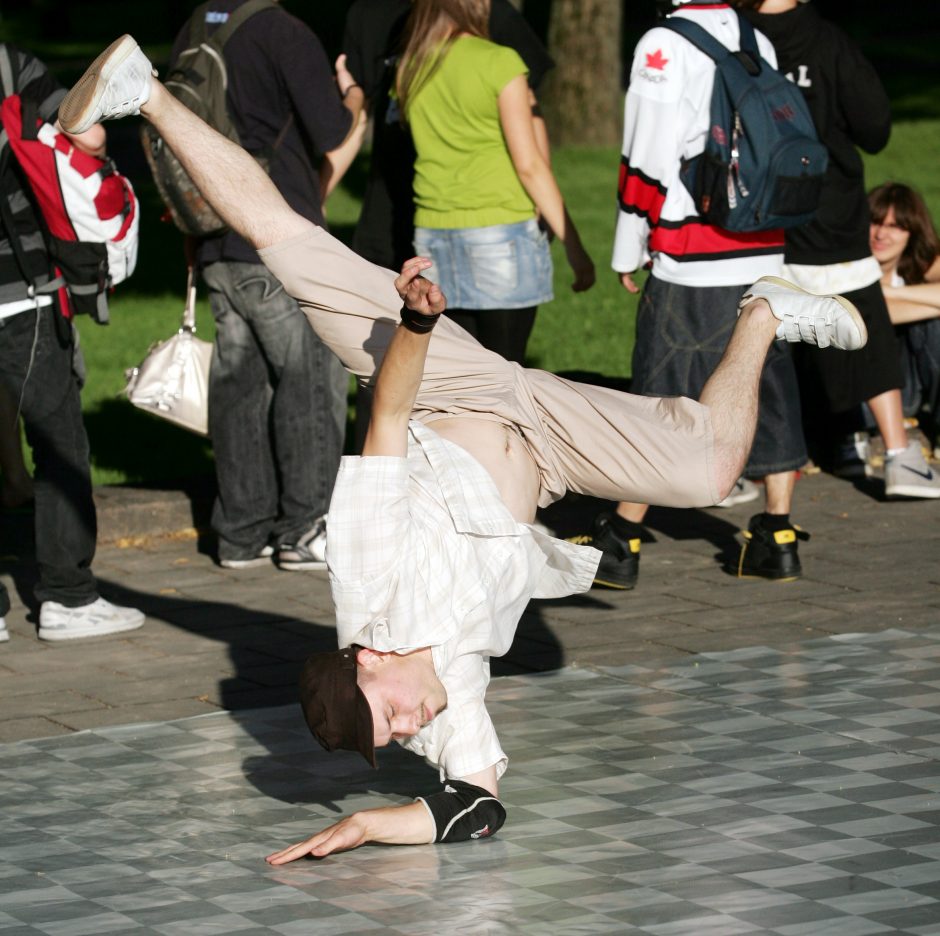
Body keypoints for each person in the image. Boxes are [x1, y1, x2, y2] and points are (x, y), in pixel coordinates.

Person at [58, 34, 866, 855]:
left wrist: (413, 323)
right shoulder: (445, 705)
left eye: (392, 717)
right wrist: (368, 823)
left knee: (293, 251)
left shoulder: (367, 583)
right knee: (708, 468)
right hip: (549, 450)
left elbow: (384, 421)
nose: (412, 729)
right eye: (398, 738)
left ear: (369, 658)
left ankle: (146, 94)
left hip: (445, 387)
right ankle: (764, 310)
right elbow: (475, 809)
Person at [572, 0, 810, 590]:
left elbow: (646, 154)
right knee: (765, 381)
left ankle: (623, 540)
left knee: (664, 390)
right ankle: (776, 534)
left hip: (692, 253)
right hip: (764, 241)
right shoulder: (756, 37)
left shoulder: (663, 42)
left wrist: (629, 244)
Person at [168, 0, 363, 571]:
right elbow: (333, 132)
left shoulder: (192, 28)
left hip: (211, 238)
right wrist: (354, 96)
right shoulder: (284, 32)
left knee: (241, 389)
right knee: (308, 380)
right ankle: (304, 529)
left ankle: (240, 534)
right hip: (276, 237)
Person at [738, 0, 940, 500]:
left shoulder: (731, 38)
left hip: (747, 209)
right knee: (863, 313)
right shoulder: (828, 43)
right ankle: (899, 456)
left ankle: (740, 457)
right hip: (826, 203)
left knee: (751, 330)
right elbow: (875, 128)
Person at [0, 43, 144, 641]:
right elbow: (83, 137)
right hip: (21, 293)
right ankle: (68, 596)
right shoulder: (10, 65)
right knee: (58, 441)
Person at [395, 0, 594, 363]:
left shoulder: (411, 65)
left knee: (459, 374)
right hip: (500, 234)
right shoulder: (499, 62)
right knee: (503, 373)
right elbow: (530, 164)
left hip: (432, 237)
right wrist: (574, 246)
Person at [870, 182, 940, 458]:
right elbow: (874, 313)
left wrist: (890, 292)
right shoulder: (847, 267)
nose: (881, 234)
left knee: (934, 326)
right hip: (867, 394)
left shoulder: (918, 263)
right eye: (875, 222)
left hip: (911, 387)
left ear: (911, 233)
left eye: (896, 226)